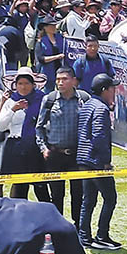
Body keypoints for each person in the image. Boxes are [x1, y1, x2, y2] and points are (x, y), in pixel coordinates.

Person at [36, 67, 90, 217]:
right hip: (55, 154)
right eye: (58, 79)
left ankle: (78, 228)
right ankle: (57, 227)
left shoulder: (84, 99)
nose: (60, 83)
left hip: (77, 155)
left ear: (73, 81)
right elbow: (39, 127)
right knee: (57, 194)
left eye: (64, 79)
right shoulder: (49, 99)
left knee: (78, 193)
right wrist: (43, 148)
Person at [77, 73, 121, 250]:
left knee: (88, 199)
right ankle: (102, 235)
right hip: (95, 161)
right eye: (112, 89)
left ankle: (84, 237)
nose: (114, 92)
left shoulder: (88, 105)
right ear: (104, 90)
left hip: (83, 158)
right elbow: (99, 136)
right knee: (110, 198)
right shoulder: (101, 109)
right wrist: (105, 162)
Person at [0, 67, 50, 201]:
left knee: (40, 186)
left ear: (33, 84)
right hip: (16, 146)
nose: (23, 87)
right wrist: (13, 109)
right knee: (20, 187)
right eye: (20, 83)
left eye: (27, 83)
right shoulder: (10, 101)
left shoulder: (42, 100)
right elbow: (1, 126)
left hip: (35, 146)